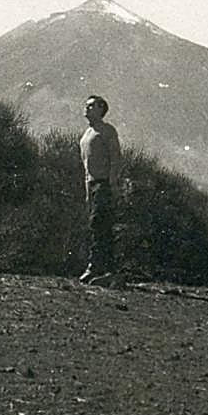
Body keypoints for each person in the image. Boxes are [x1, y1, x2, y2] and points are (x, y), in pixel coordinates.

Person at [79, 94, 122, 285]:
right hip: (93, 184)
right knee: (96, 226)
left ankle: (98, 268)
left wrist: (112, 184)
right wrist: (88, 191)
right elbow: (86, 165)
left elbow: (115, 158)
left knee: (100, 225)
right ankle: (102, 268)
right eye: (87, 106)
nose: (87, 109)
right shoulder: (87, 134)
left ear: (100, 109)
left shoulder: (106, 131)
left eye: (91, 106)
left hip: (104, 183)